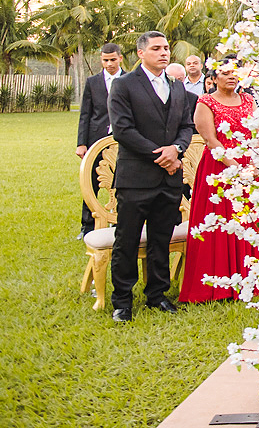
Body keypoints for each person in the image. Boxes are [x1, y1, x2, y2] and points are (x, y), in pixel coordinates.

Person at [107, 31, 195, 322]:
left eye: (167, 48)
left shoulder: (178, 87)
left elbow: (186, 125)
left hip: (169, 179)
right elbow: (123, 130)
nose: (164, 52)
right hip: (136, 177)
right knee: (127, 240)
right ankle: (122, 300)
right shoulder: (124, 85)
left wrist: (178, 148)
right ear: (141, 53)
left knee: (161, 238)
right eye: (156, 48)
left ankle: (157, 294)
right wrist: (162, 155)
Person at [179, 57, 259, 303]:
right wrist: (234, 166)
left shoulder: (249, 100)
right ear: (213, 78)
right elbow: (210, 139)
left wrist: (254, 161)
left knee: (247, 221)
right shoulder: (205, 101)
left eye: (235, 72)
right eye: (225, 73)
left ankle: (250, 280)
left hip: (248, 167)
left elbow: (257, 132)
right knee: (220, 222)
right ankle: (217, 286)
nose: (231, 77)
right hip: (219, 168)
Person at [76, 43, 125, 238]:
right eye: (105, 60)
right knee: (92, 181)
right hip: (97, 139)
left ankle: (118, 221)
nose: (109, 64)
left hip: (123, 140)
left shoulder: (130, 80)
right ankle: (87, 225)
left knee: (121, 182)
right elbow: (85, 114)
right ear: (101, 60)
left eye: (113, 59)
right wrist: (81, 143)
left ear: (120, 58)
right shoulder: (92, 82)